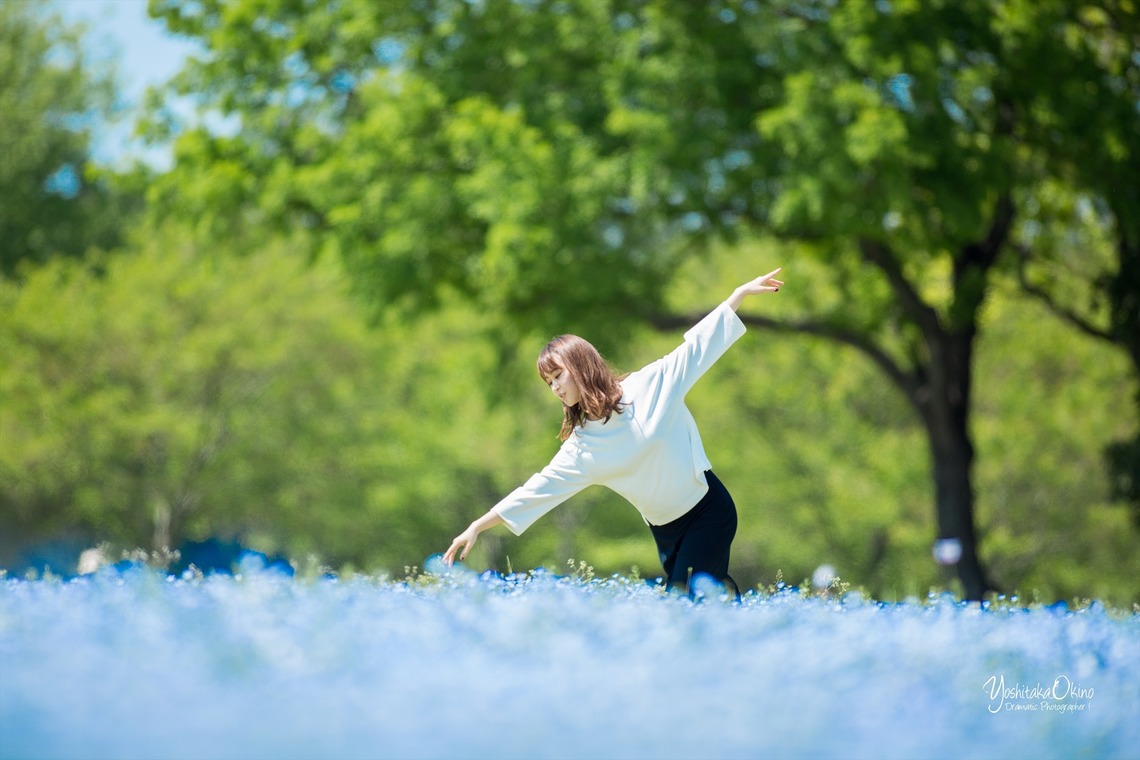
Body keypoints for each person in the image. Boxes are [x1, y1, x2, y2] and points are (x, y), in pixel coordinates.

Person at [442, 267, 785, 595]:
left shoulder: (650, 385)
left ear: (579, 365)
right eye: (548, 382)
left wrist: (738, 295)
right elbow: (535, 490)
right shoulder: (581, 448)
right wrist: (477, 526)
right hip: (664, 531)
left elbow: (696, 347)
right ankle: (735, 616)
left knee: (686, 601)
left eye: (558, 375)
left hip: (708, 510)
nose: (555, 388)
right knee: (696, 599)